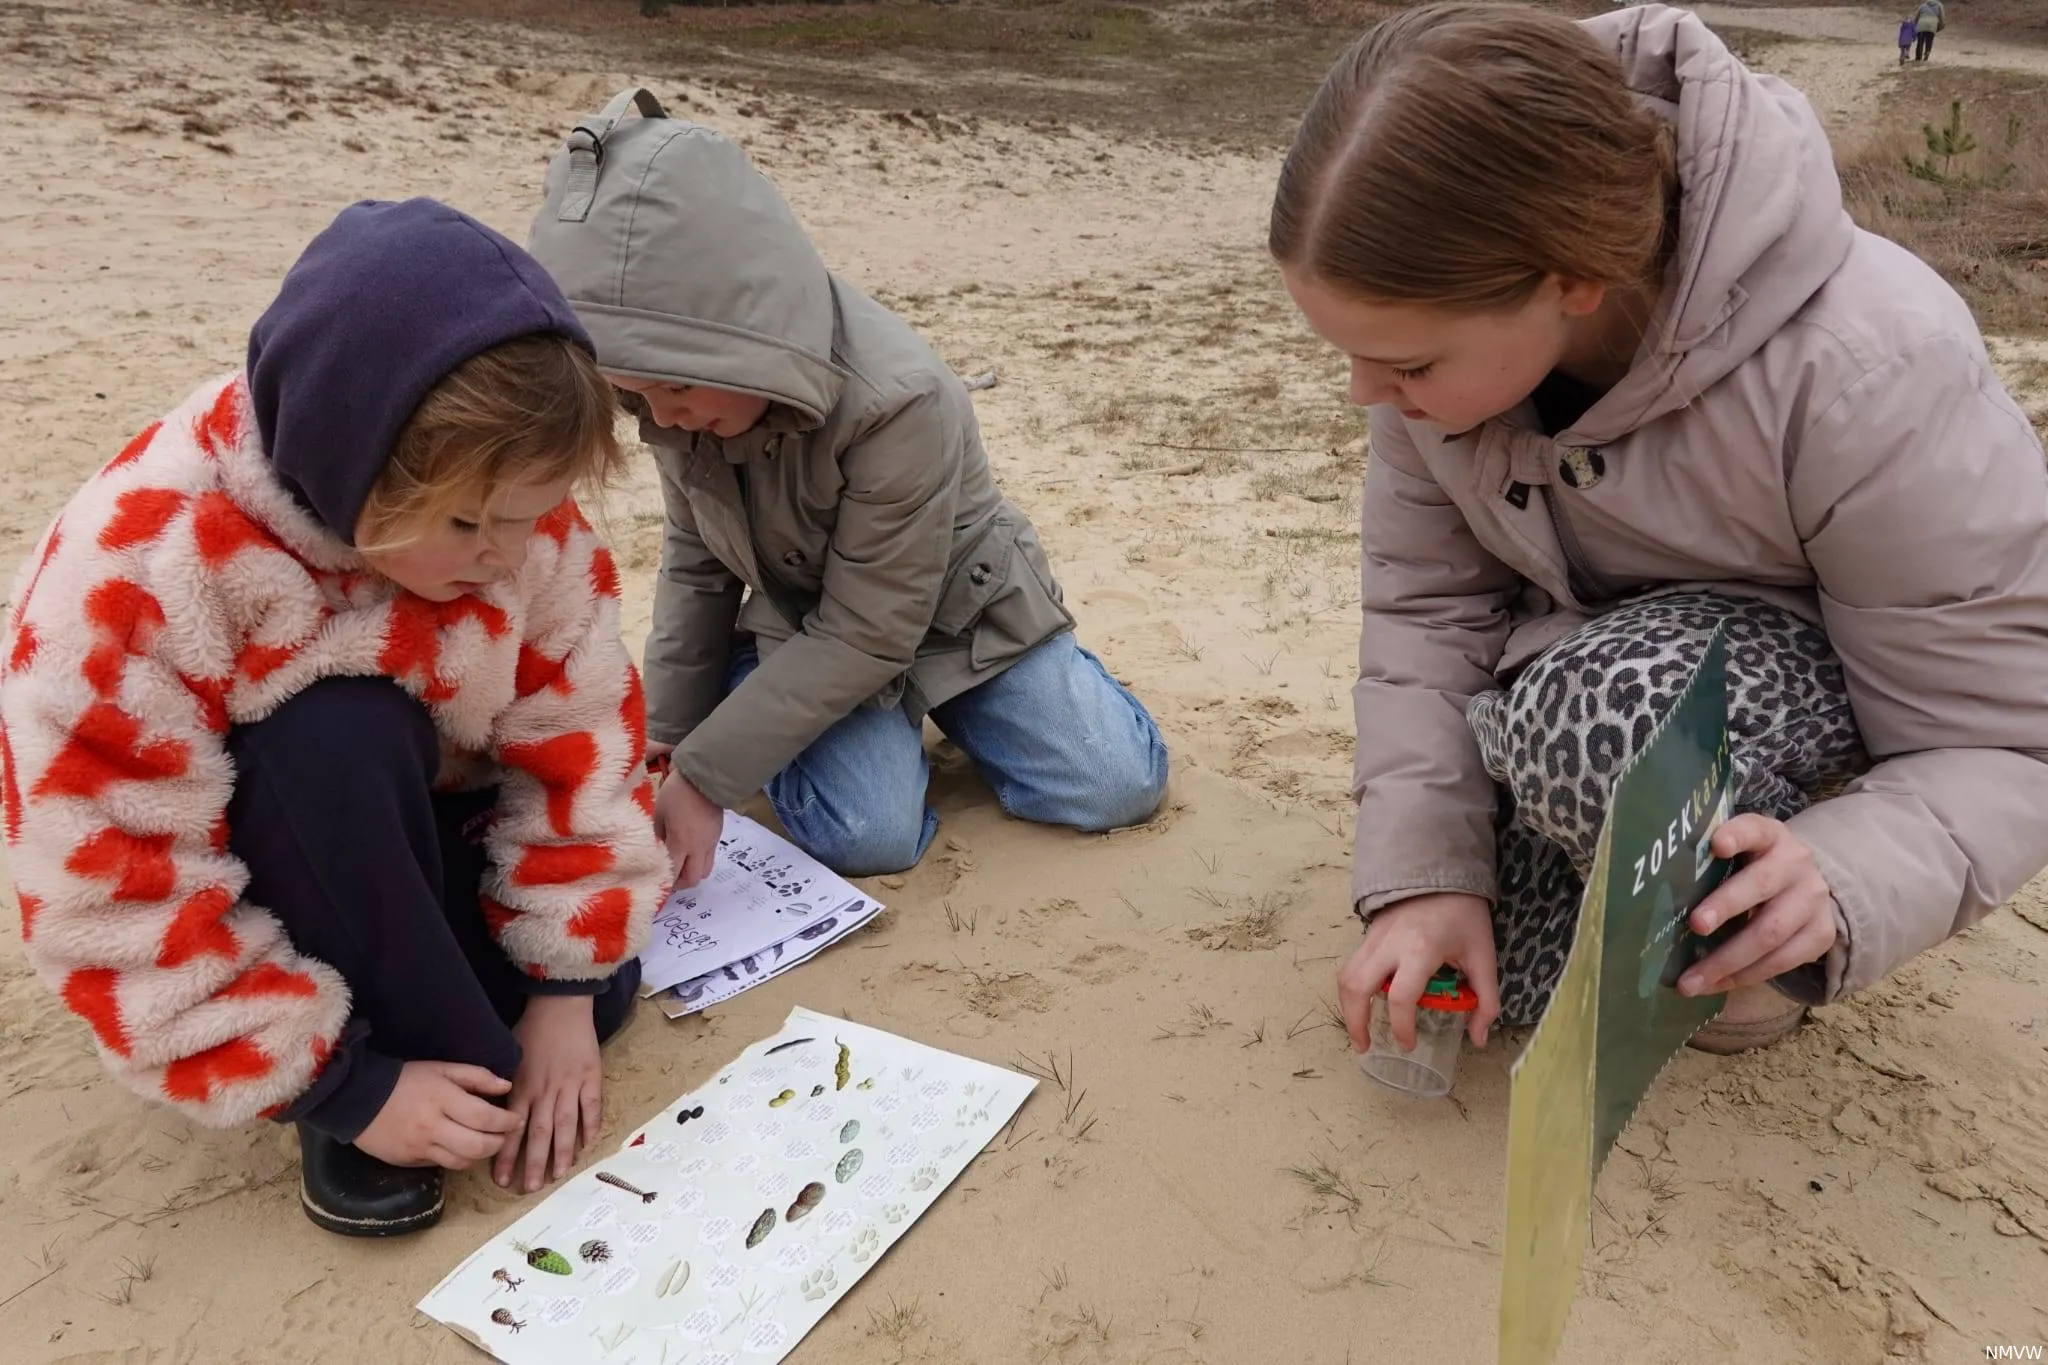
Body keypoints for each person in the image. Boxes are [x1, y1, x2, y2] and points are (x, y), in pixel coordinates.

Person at [1267, 4, 2048, 1059]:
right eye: (1354, 357)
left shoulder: (1871, 367)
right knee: (1505, 983)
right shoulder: (1431, 378)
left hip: (1799, 700)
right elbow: (1427, 613)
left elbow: (1998, 733)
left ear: (1570, 281)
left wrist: (1838, 871)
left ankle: (1753, 942)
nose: (1367, 393)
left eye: (1405, 362)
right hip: (1567, 677)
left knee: (1608, 720)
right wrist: (1428, 880)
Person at [0, 199, 667, 1236]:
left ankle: (470, 1010)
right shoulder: (138, 565)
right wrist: (342, 1087)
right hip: (282, 863)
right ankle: (358, 1057)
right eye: (468, 523)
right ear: (356, 460)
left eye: (532, 515)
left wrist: (568, 988)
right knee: (333, 732)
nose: (506, 555)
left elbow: (582, 742)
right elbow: (102, 879)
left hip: (432, 829)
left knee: (579, 1003)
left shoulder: (509, 511)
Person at [525, 90, 1169, 883]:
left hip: (958, 612)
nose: (661, 416)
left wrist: (709, 775)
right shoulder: (683, 392)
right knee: (868, 835)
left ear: (742, 338)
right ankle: (799, 706)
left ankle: (962, 705)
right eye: (636, 393)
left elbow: (871, 629)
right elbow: (698, 563)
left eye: (675, 389)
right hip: (805, 626)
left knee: (1116, 786)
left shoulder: (900, 399)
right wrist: (675, 727)